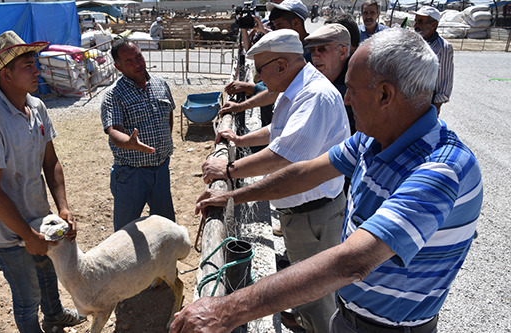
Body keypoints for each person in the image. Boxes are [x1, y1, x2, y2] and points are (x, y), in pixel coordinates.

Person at [171, 28, 483, 333]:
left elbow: (352, 262)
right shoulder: (372, 140)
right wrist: (235, 197)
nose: (346, 100)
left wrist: (227, 309)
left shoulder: (440, 170)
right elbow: (306, 171)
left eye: (353, 89)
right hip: (351, 313)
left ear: (385, 94)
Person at [201, 29, 349, 333]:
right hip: (304, 212)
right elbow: (279, 132)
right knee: (305, 287)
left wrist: (228, 171)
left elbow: (283, 155)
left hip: (313, 213)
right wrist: (241, 138)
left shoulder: (314, 96)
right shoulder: (296, 88)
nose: (259, 78)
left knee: (316, 295)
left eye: (261, 70)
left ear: (280, 66)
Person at [0, 30, 85, 333]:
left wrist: (63, 207)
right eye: (28, 66)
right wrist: (27, 236)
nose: (37, 70)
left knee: (47, 274)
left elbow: (51, 161)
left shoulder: (37, 107)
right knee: (27, 294)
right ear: (5, 74)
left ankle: (55, 315)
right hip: (6, 230)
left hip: (39, 215)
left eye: (35, 63)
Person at [100, 38, 176, 231]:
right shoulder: (113, 95)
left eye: (138, 56)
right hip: (132, 174)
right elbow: (114, 132)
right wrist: (130, 142)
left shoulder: (160, 84)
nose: (137, 63)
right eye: (129, 62)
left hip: (161, 169)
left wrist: (163, 145)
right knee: (126, 232)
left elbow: (169, 117)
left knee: (165, 226)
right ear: (118, 67)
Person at [220, 0, 312, 119]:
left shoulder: (311, 55)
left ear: (295, 23)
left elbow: (281, 91)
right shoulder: (289, 48)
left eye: (279, 26)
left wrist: (247, 87)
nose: (276, 31)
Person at [304, 23, 355, 134]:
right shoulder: (312, 79)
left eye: (322, 49)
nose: (315, 56)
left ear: (342, 52)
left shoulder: (356, 87)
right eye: (312, 50)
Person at [414, 5, 454, 115]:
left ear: (433, 25)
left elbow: (445, 82)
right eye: (416, 21)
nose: (416, 25)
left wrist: (434, 110)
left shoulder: (443, 48)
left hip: (427, 102)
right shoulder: (413, 43)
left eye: (420, 21)